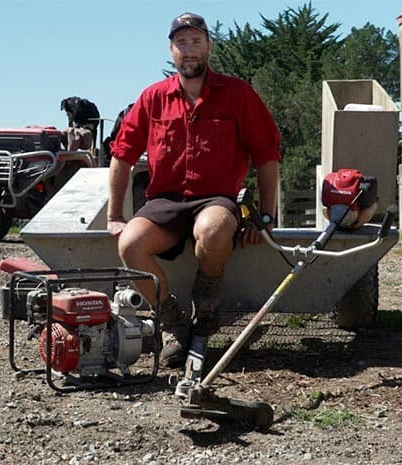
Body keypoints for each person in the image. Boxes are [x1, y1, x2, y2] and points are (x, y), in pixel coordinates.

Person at [107, 12, 281, 368]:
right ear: (171, 50)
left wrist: (266, 215)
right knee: (130, 244)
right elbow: (122, 155)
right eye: (181, 43)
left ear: (208, 47)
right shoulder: (152, 98)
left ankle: (206, 309)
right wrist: (114, 216)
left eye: (196, 42)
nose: (189, 50)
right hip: (165, 201)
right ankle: (173, 323)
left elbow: (267, 154)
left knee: (213, 229)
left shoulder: (238, 94)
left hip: (216, 200)